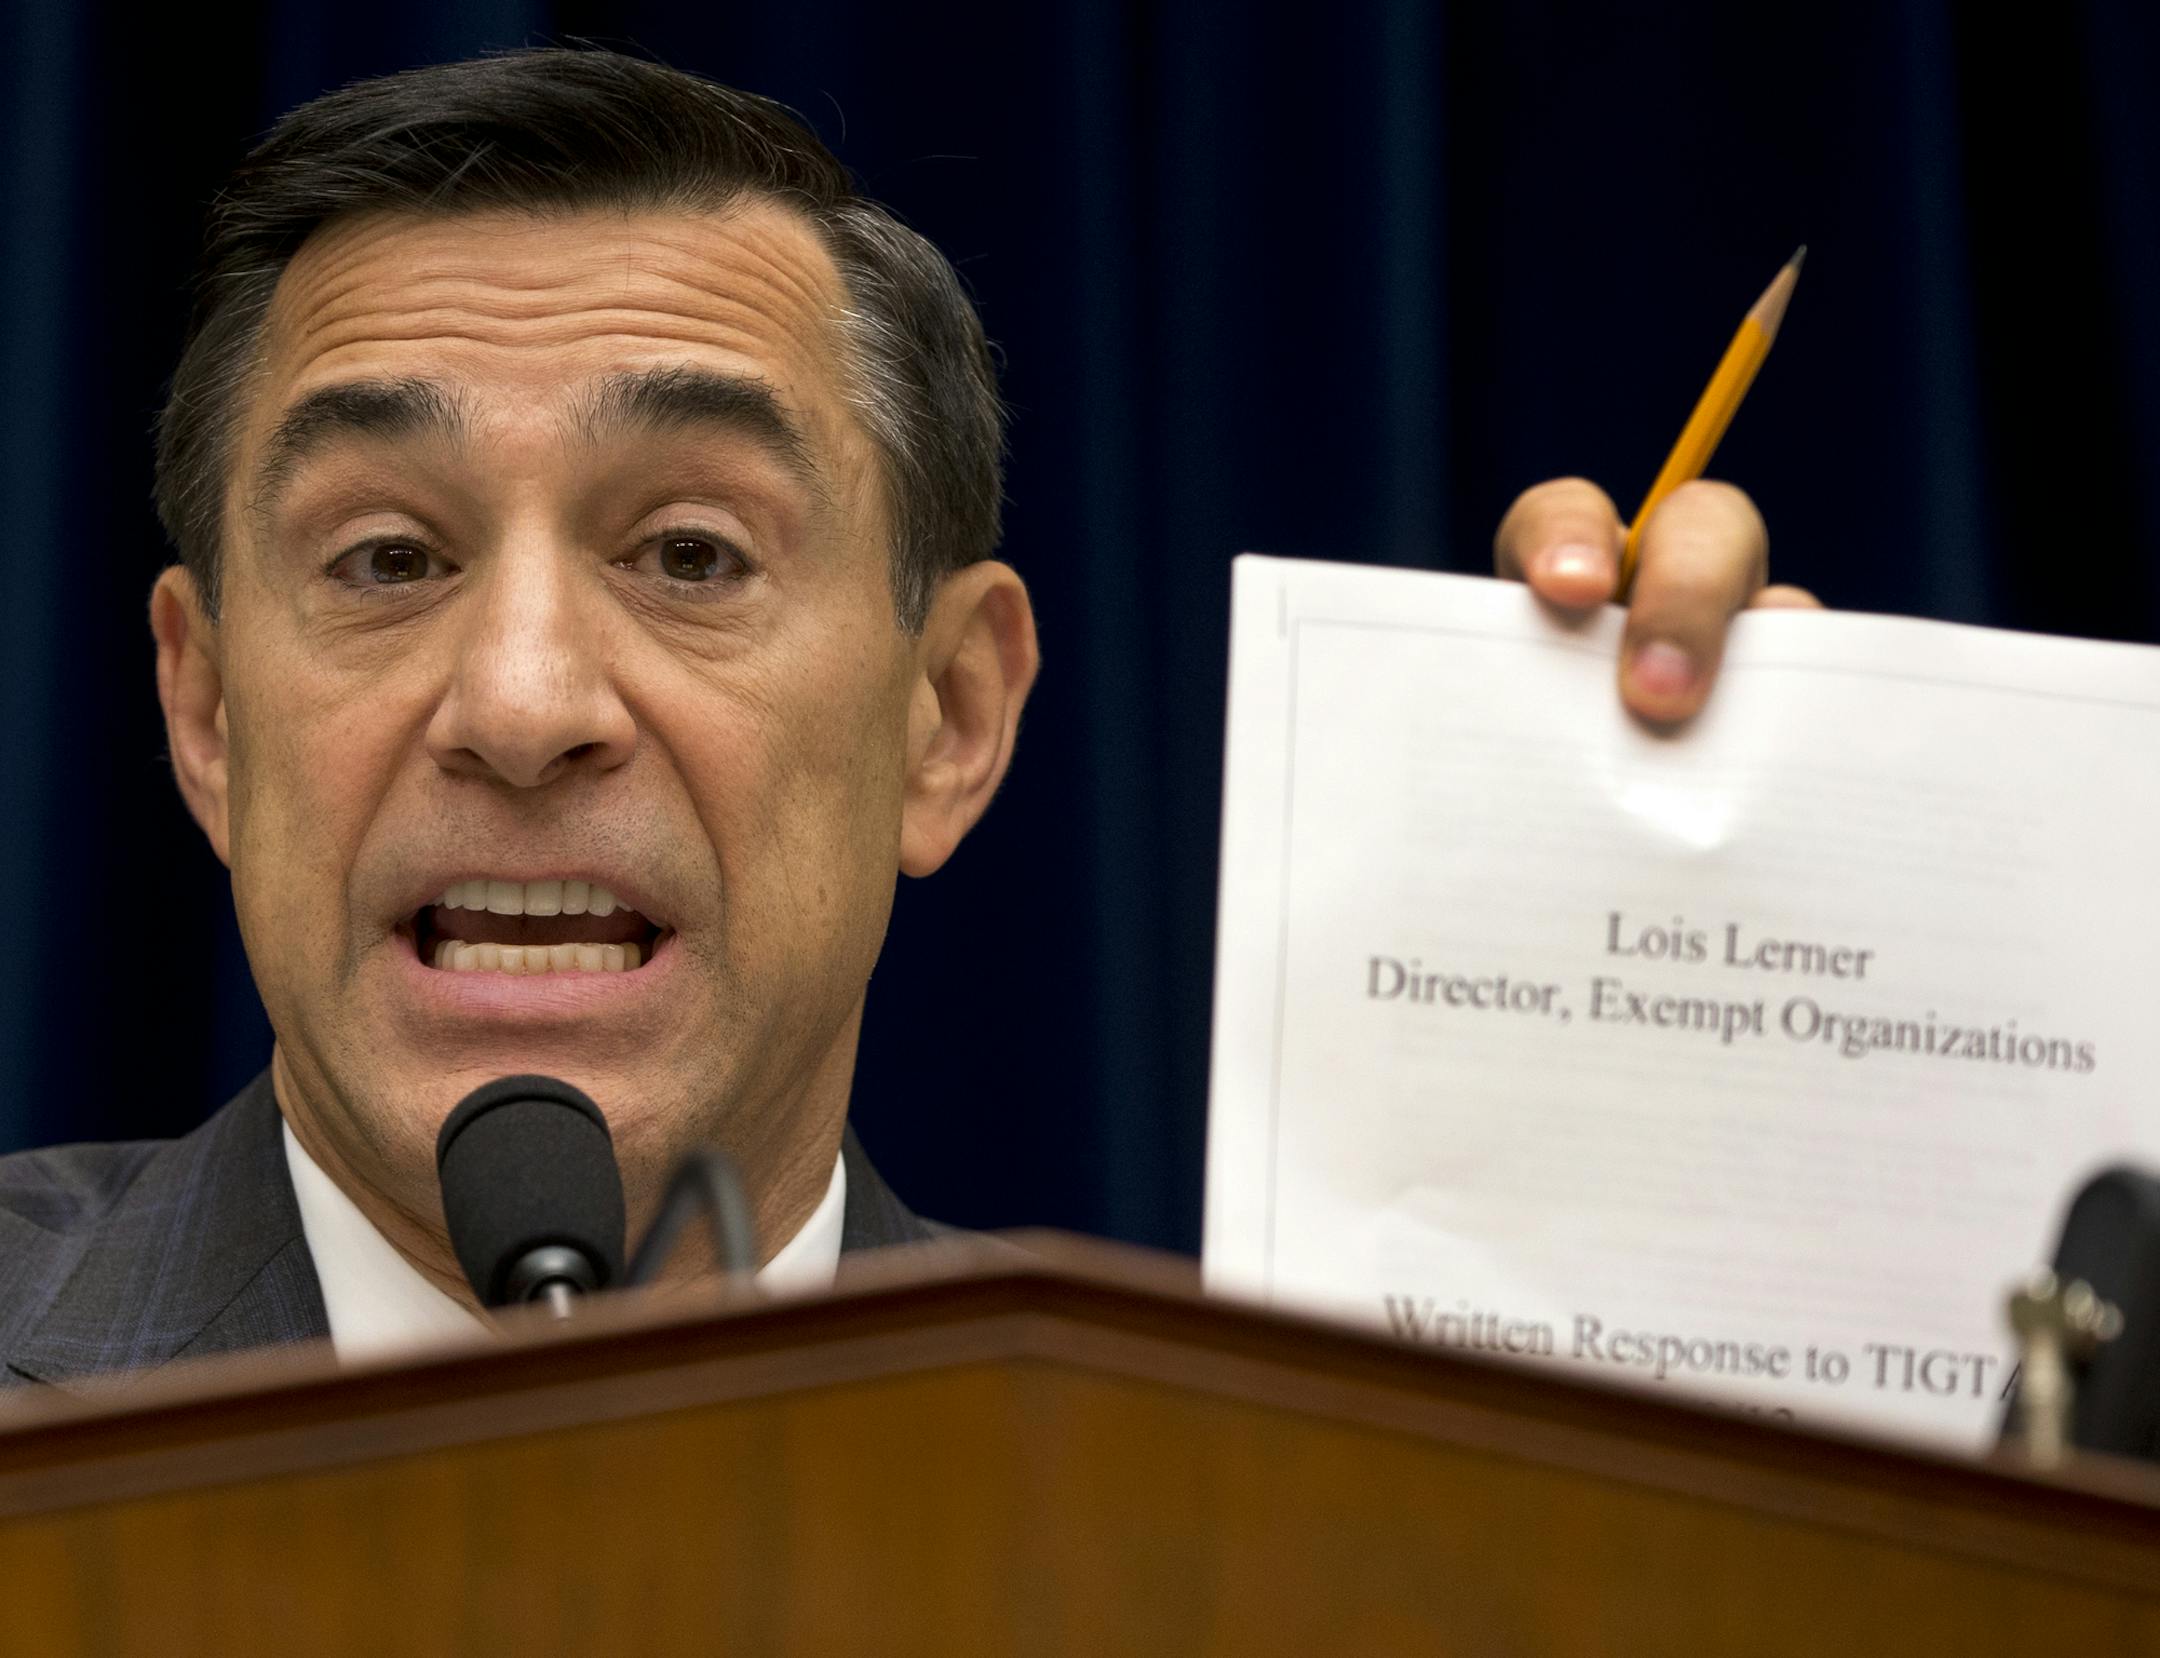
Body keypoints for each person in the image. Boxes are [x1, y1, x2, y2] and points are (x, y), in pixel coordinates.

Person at [0, 48, 1814, 1387]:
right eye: (389, 558)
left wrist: (1715, 1053)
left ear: (949, 715)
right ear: (208, 714)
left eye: (690, 552)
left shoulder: (1242, 1511)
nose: (525, 702)